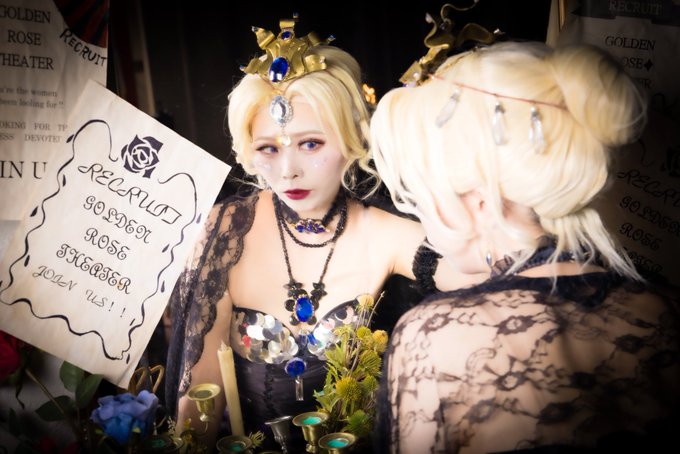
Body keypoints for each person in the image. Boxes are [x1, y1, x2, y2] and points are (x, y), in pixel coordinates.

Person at [164, 17, 477, 450]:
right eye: (268, 148)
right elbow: (198, 405)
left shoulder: (384, 232)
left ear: (350, 139)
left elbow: (494, 277)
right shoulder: (225, 232)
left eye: (310, 144)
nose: (288, 170)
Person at [370, 41, 680, 453]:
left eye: (422, 195)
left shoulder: (434, 338)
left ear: (480, 203)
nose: (423, 217)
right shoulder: (663, 311)